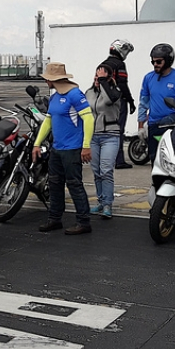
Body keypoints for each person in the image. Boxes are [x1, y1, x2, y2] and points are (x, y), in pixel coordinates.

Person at [32, 62, 94, 235]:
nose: (46, 82)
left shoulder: (74, 95)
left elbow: (89, 119)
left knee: (74, 184)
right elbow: (48, 121)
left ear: (54, 79)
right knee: (55, 184)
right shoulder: (54, 97)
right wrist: (37, 143)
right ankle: (55, 218)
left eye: (48, 79)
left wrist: (86, 146)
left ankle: (83, 221)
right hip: (57, 148)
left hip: (72, 149)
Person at [137, 44, 175, 163]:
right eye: (153, 62)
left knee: (172, 160)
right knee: (155, 160)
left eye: (158, 62)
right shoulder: (148, 78)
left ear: (168, 61)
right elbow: (143, 103)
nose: (155, 65)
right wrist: (140, 127)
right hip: (154, 125)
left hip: (173, 126)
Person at [86, 63, 123, 219]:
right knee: (96, 172)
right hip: (93, 137)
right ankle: (100, 201)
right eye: (95, 76)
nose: (97, 79)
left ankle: (108, 204)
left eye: (100, 76)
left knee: (106, 170)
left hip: (110, 136)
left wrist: (103, 83)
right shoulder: (89, 93)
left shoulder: (115, 92)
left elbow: (109, 99)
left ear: (108, 78)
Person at [102, 39, 136, 169]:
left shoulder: (103, 64)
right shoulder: (119, 65)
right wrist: (131, 101)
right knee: (118, 131)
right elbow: (122, 84)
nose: (126, 53)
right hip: (118, 102)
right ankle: (119, 160)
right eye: (126, 50)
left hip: (104, 104)